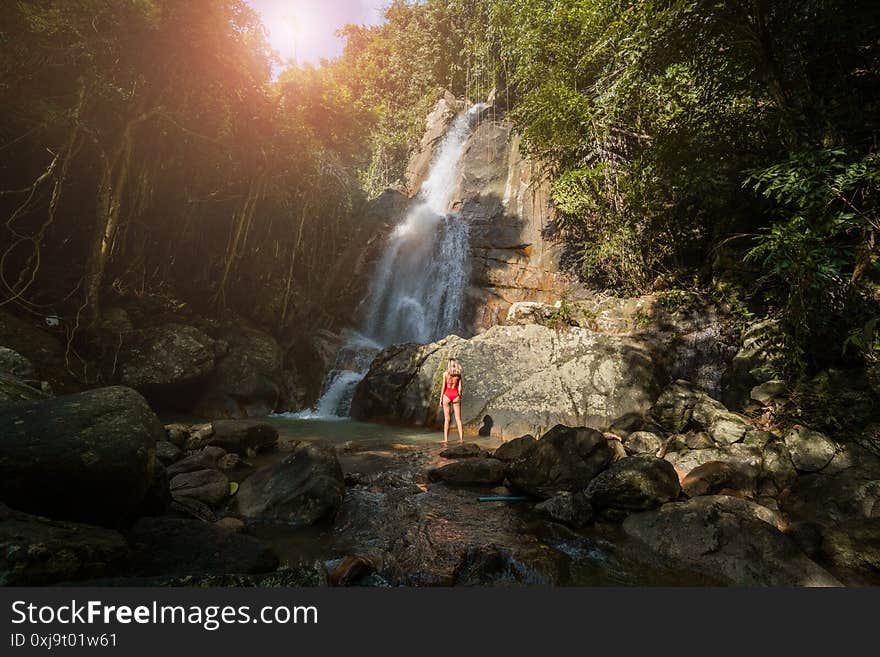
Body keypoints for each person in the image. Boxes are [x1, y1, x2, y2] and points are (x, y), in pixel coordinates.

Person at [439, 357, 464, 443]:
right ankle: (461, 439)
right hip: (455, 395)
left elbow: (443, 387)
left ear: (449, 365)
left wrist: (440, 399)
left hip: (447, 395)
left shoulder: (445, 374)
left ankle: (446, 440)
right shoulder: (459, 374)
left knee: (447, 419)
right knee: (458, 418)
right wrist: (459, 396)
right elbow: (460, 388)